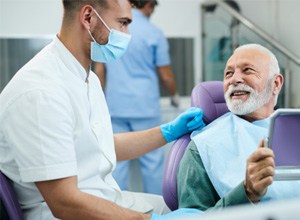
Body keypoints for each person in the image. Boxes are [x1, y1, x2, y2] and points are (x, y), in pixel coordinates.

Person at [0, 0, 206, 219]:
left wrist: (168, 132)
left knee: (189, 207)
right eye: (123, 23)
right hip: (64, 213)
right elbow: (64, 202)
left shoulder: (86, 78)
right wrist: (147, 219)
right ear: (88, 17)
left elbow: (101, 146)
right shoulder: (41, 91)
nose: (127, 34)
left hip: (101, 197)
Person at [177, 43, 300, 211]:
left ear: (276, 83)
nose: (234, 79)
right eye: (228, 73)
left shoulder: (294, 130)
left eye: (247, 70)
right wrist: (247, 193)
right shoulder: (202, 147)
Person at [94, 0, 179, 195]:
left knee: (115, 160)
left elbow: (100, 69)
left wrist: (101, 100)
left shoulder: (114, 31)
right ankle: (159, 210)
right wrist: (174, 94)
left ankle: (115, 209)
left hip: (115, 106)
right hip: (144, 108)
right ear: (149, 5)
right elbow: (166, 75)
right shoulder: (153, 32)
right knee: (153, 164)